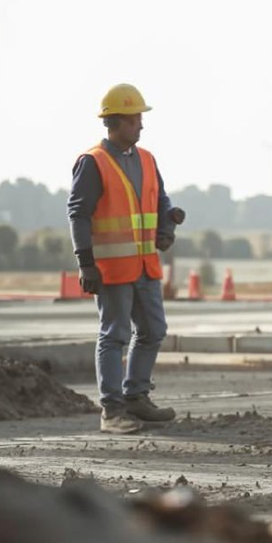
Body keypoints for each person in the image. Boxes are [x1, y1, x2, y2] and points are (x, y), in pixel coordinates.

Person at [67, 83, 185, 434]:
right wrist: (85, 263)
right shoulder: (93, 163)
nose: (141, 125)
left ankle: (136, 398)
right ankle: (112, 410)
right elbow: (78, 214)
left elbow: (160, 200)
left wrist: (167, 227)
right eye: (135, 120)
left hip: (145, 265)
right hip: (113, 269)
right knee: (115, 334)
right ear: (115, 123)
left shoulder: (147, 158)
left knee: (153, 330)